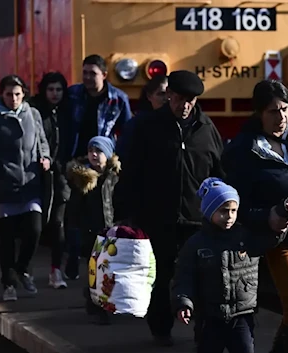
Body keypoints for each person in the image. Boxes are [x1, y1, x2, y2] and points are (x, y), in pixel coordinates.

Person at [115, 70, 224, 346]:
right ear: (169, 96)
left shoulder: (207, 129)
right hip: (157, 217)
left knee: (203, 277)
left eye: (191, 100)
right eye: (179, 99)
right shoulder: (148, 127)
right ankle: (161, 328)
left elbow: (219, 172)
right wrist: (126, 213)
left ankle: (204, 329)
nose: (185, 105)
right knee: (161, 276)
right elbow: (132, 172)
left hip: (197, 218)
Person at [222, 80, 288, 352]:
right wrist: (267, 216)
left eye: (285, 109)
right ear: (258, 113)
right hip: (281, 241)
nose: (281, 117)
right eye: (273, 111)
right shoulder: (244, 150)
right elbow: (237, 205)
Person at [171, 177, 288, 353]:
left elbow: (270, 239)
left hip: (242, 315)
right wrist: (183, 302)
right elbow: (184, 276)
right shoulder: (196, 244)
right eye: (223, 211)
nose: (229, 216)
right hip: (210, 317)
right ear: (209, 212)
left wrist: (283, 217)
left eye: (233, 210)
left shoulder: (245, 237)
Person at [0, 74, 51, 301]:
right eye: (9, 94)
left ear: (24, 94)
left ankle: (22, 268)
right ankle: (8, 282)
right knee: (7, 237)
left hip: (30, 184)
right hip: (5, 186)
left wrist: (45, 157)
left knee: (35, 229)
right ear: (2, 95)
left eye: (18, 94)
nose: (14, 99)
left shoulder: (33, 114)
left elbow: (41, 141)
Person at [65, 136, 119, 324]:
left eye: (99, 151)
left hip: (112, 231)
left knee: (111, 272)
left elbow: (120, 202)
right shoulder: (84, 179)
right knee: (96, 271)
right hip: (91, 232)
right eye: (91, 151)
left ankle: (99, 301)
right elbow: (74, 207)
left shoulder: (115, 177)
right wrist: (75, 227)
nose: (94, 155)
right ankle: (98, 307)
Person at [28, 71, 71, 289]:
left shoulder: (67, 113)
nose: (55, 94)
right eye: (51, 89)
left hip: (60, 175)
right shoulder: (35, 113)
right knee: (35, 225)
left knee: (57, 223)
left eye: (59, 90)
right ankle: (27, 271)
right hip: (37, 175)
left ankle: (56, 271)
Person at [67, 54, 131, 159]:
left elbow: (127, 133)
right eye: (85, 73)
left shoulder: (118, 99)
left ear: (104, 75)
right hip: (76, 156)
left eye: (93, 74)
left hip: (103, 157)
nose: (87, 77)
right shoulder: (73, 94)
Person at [115, 75, 168, 164]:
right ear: (149, 96)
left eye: (170, 94)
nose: (167, 98)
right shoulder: (136, 125)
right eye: (161, 94)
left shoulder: (183, 122)